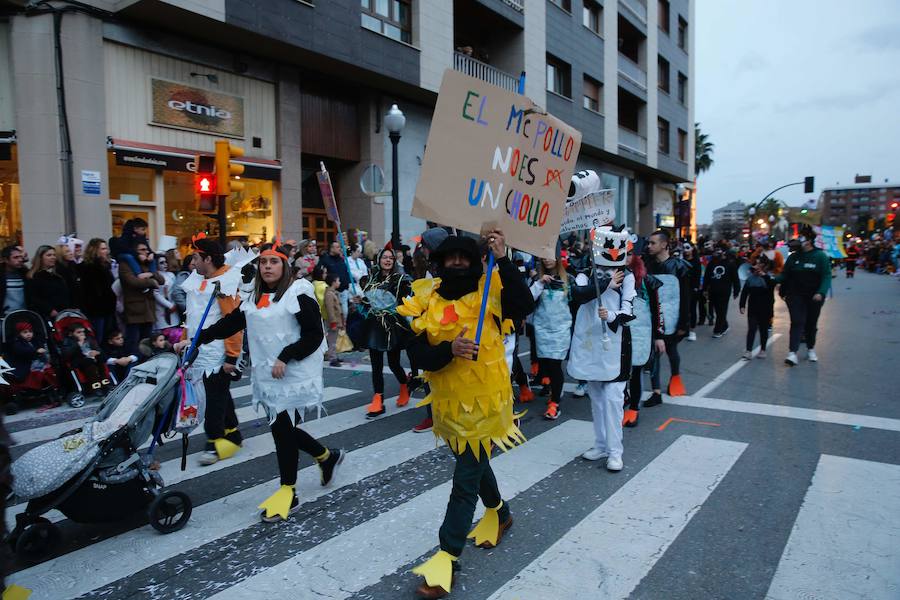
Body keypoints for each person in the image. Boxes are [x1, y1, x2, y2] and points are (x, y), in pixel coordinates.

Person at [400, 230, 533, 598]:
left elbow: (523, 305)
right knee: (472, 463)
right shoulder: (425, 297)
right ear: (439, 262)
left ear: (474, 261)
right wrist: (449, 349)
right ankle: (501, 513)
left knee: (464, 482)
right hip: (447, 406)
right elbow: (417, 355)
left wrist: (503, 257)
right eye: (450, 257)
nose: (457, 262)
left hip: (485, 405)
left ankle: (448, 556)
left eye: (464, 256)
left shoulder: (491, 287)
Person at [180, 243, 343, 522]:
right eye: (263, 262)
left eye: (273, 262)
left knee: (282, 430)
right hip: (268, 374)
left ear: (285, 267)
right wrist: (198, 339)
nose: (267, 266)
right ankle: (326, 456)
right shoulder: (254, 297)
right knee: (283, 428)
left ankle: (288, 490)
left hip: (293, 373)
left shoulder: (298, 293)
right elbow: (231, 323)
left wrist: (286, 356)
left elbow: (314, 335)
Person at [568, 225, 636, 471]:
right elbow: (578, 294)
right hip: (591, 344)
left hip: (615, 346)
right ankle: (600, 444)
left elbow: (628, 311)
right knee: (596, 397)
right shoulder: (585, 272)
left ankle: (615, 451)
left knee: (613, 399)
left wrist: (611, 315)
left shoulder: (627, 276)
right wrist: (606, 283)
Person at [179, 237, 245, 465]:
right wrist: (184, 340)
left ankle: (214, 441)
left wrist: (232, 356)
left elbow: (233, 323)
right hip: (199, 351)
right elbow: (192, 315)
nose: (191, 262)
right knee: (218, 394)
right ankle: (232, 432)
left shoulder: (226, 282)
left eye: (195, 257)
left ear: (208, 258)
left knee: (213, 397)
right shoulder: (196, 279)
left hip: (217, 353)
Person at [360, 248, 412, 418]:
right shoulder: (370, 278)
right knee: (376, 365)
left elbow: (407, 297)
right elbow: (367, 303)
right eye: (385, 257)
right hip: (375, 325)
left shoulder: (399, 279)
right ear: (379, 259)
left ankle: (404, 386)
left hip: (392, 326)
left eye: (391, 258)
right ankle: (378, 400)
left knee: (394, 363)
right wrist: (361, 301)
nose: (388, 260)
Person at [644, 230, 691, 406]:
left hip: (674, 318)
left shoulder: (679, 267)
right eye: (648, 243)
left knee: (672, 350)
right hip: (654, 318)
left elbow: (686, 297)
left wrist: (684, 323)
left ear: (664, 244)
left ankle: (676, 377)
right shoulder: (647, 265)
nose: (649, 246)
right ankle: (656, 392)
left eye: (652, 243)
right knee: (654, 353)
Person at [622, 239, 665, 428]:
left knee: (636, 370)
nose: (625, 258)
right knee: (619, 372)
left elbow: (657, 309)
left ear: (636, 257)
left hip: (640, 334)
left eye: (629, 254)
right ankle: (622, 400)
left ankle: (633, 410)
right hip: (619, 332)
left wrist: (659, 336)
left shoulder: (647, 281)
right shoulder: (611, 277)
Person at [775, 228, 831, 365]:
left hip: (814, 296)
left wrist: (821, 292)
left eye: (801, 237)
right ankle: (792, 353)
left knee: (811, 324)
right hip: (795, 295)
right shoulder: (793, 257)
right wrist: (772, 279)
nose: (798, 240)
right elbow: (785, 274)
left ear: (809, 241)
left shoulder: (820, 256)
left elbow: (826, 276)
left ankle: (811, 348)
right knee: (797, 321)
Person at [529, 253, 572, 420]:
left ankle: (555, 403)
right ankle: (554, 392)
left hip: (561, 329)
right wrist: (539, 283)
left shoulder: (569, 280)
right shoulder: (537, 280)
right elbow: (528, 299)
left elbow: (577, 302)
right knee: (545, 364)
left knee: (555, 365)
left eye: (550, 256)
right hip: (542, 329)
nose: (546, 259)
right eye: (543, 257)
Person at [119, 242, 164, 355]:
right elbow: (133, 281)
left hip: (148, 309)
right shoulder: (125, 264)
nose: (146, 252)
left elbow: (161, 280)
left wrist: (150, 274)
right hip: (134, 310)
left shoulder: (148, 264)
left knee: (147, 344)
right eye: (142, 250)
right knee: (133, 344)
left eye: (147, 249)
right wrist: (151, 281)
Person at [77, 239, 117, 341]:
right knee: (97, 338)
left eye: (106, 248)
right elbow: (91, 290)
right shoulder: (89, 267)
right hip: (96, 309)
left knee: (107, 337)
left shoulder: (105, 266)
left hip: (107, 308)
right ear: (95, 250)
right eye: (103, 249)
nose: (106, 251)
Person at [739, 256, 776, 360]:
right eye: (756, 264)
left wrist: (764, 276)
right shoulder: (750, 279)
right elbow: (745, 293)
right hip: (753, 308)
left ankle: (763, 350)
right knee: (751, 329)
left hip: (765, 309)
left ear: (764, 266)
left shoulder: (769, 278)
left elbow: (771, 288)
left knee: (763, 330)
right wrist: (742, 305)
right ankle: (748, 350)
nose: (757, 266)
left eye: (759, 264)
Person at [702, 245, 741, 338]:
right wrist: (704, 289)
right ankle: (725, 326)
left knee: (722, 310)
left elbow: (735, 279)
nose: (716, 253)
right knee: (717, 311)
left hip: (724, 292)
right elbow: (707, 277)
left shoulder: (730, 264)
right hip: (713, 291)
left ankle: (718, 330)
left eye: (719, 251)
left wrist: (736, 291)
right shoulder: (711, 263)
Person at [61, 323, 108, 398]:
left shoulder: (89, 339)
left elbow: (97, 348)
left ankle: (105, 384)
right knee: (89, 362)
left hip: (92, 358)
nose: (82, 334)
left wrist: (97, 352)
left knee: (101, 359)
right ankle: (96, 387)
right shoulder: (68, 341)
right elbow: (66, 354)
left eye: (83, 332)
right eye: (78, 332)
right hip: (79, 361)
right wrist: (78, 344)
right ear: (71, 334)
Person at [25, 245, 72, 321]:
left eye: (54, 255)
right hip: (44, 317)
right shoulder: (34, 277)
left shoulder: (58, 276)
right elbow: (33, 298)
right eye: (49, 255)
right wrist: (49, 310)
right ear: (40, 258)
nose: (53, 257)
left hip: (63, 315)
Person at [8, 322, 57, 390]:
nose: (28, 334)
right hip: (25, 365)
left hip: (37, 363)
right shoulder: (17, 343)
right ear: (19, 334)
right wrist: (36, 351)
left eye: (30, 332)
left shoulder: (35, 340)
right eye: (25, 332)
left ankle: (50, 386)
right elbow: (22, 351)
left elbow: (42, 347)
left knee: (49, 369)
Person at [153, 254, 180, 334]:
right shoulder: (155, 276)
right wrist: (169, 305)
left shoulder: (171, 275)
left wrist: (174, 304)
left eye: (165, 262)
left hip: (174, 307)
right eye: (161, 262)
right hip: (161, 308)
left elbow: (176, 290)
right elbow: (156, 293)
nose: (165, 264)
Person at [323, 273, 344, 367]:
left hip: (337, 320)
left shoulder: (333, 292)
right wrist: (333, 322)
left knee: (334, 340)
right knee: (332, 340)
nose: (339, 282)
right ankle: (332, 358)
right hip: (333, 321)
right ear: (333, 282)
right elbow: (330, 309)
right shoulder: (329, 294)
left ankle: (333, 355)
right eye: (338, 280)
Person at [0, 245, 28, 317]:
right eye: (15, 257)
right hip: (4, 316)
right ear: (6, 260)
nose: (20, 260)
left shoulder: (25, 274)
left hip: (23, 315)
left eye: (20, 257)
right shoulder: (2, 275)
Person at [683, 242, 702, 341]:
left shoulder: (696, 261)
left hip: (692, 289)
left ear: (692, 249)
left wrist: (696, 288)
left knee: (692, 309)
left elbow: (698, 276)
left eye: (687, 248)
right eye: (684, 248)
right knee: (684, 309)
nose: (685, 250)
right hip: (683, 288)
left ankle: (692, 330)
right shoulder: (681, 260)